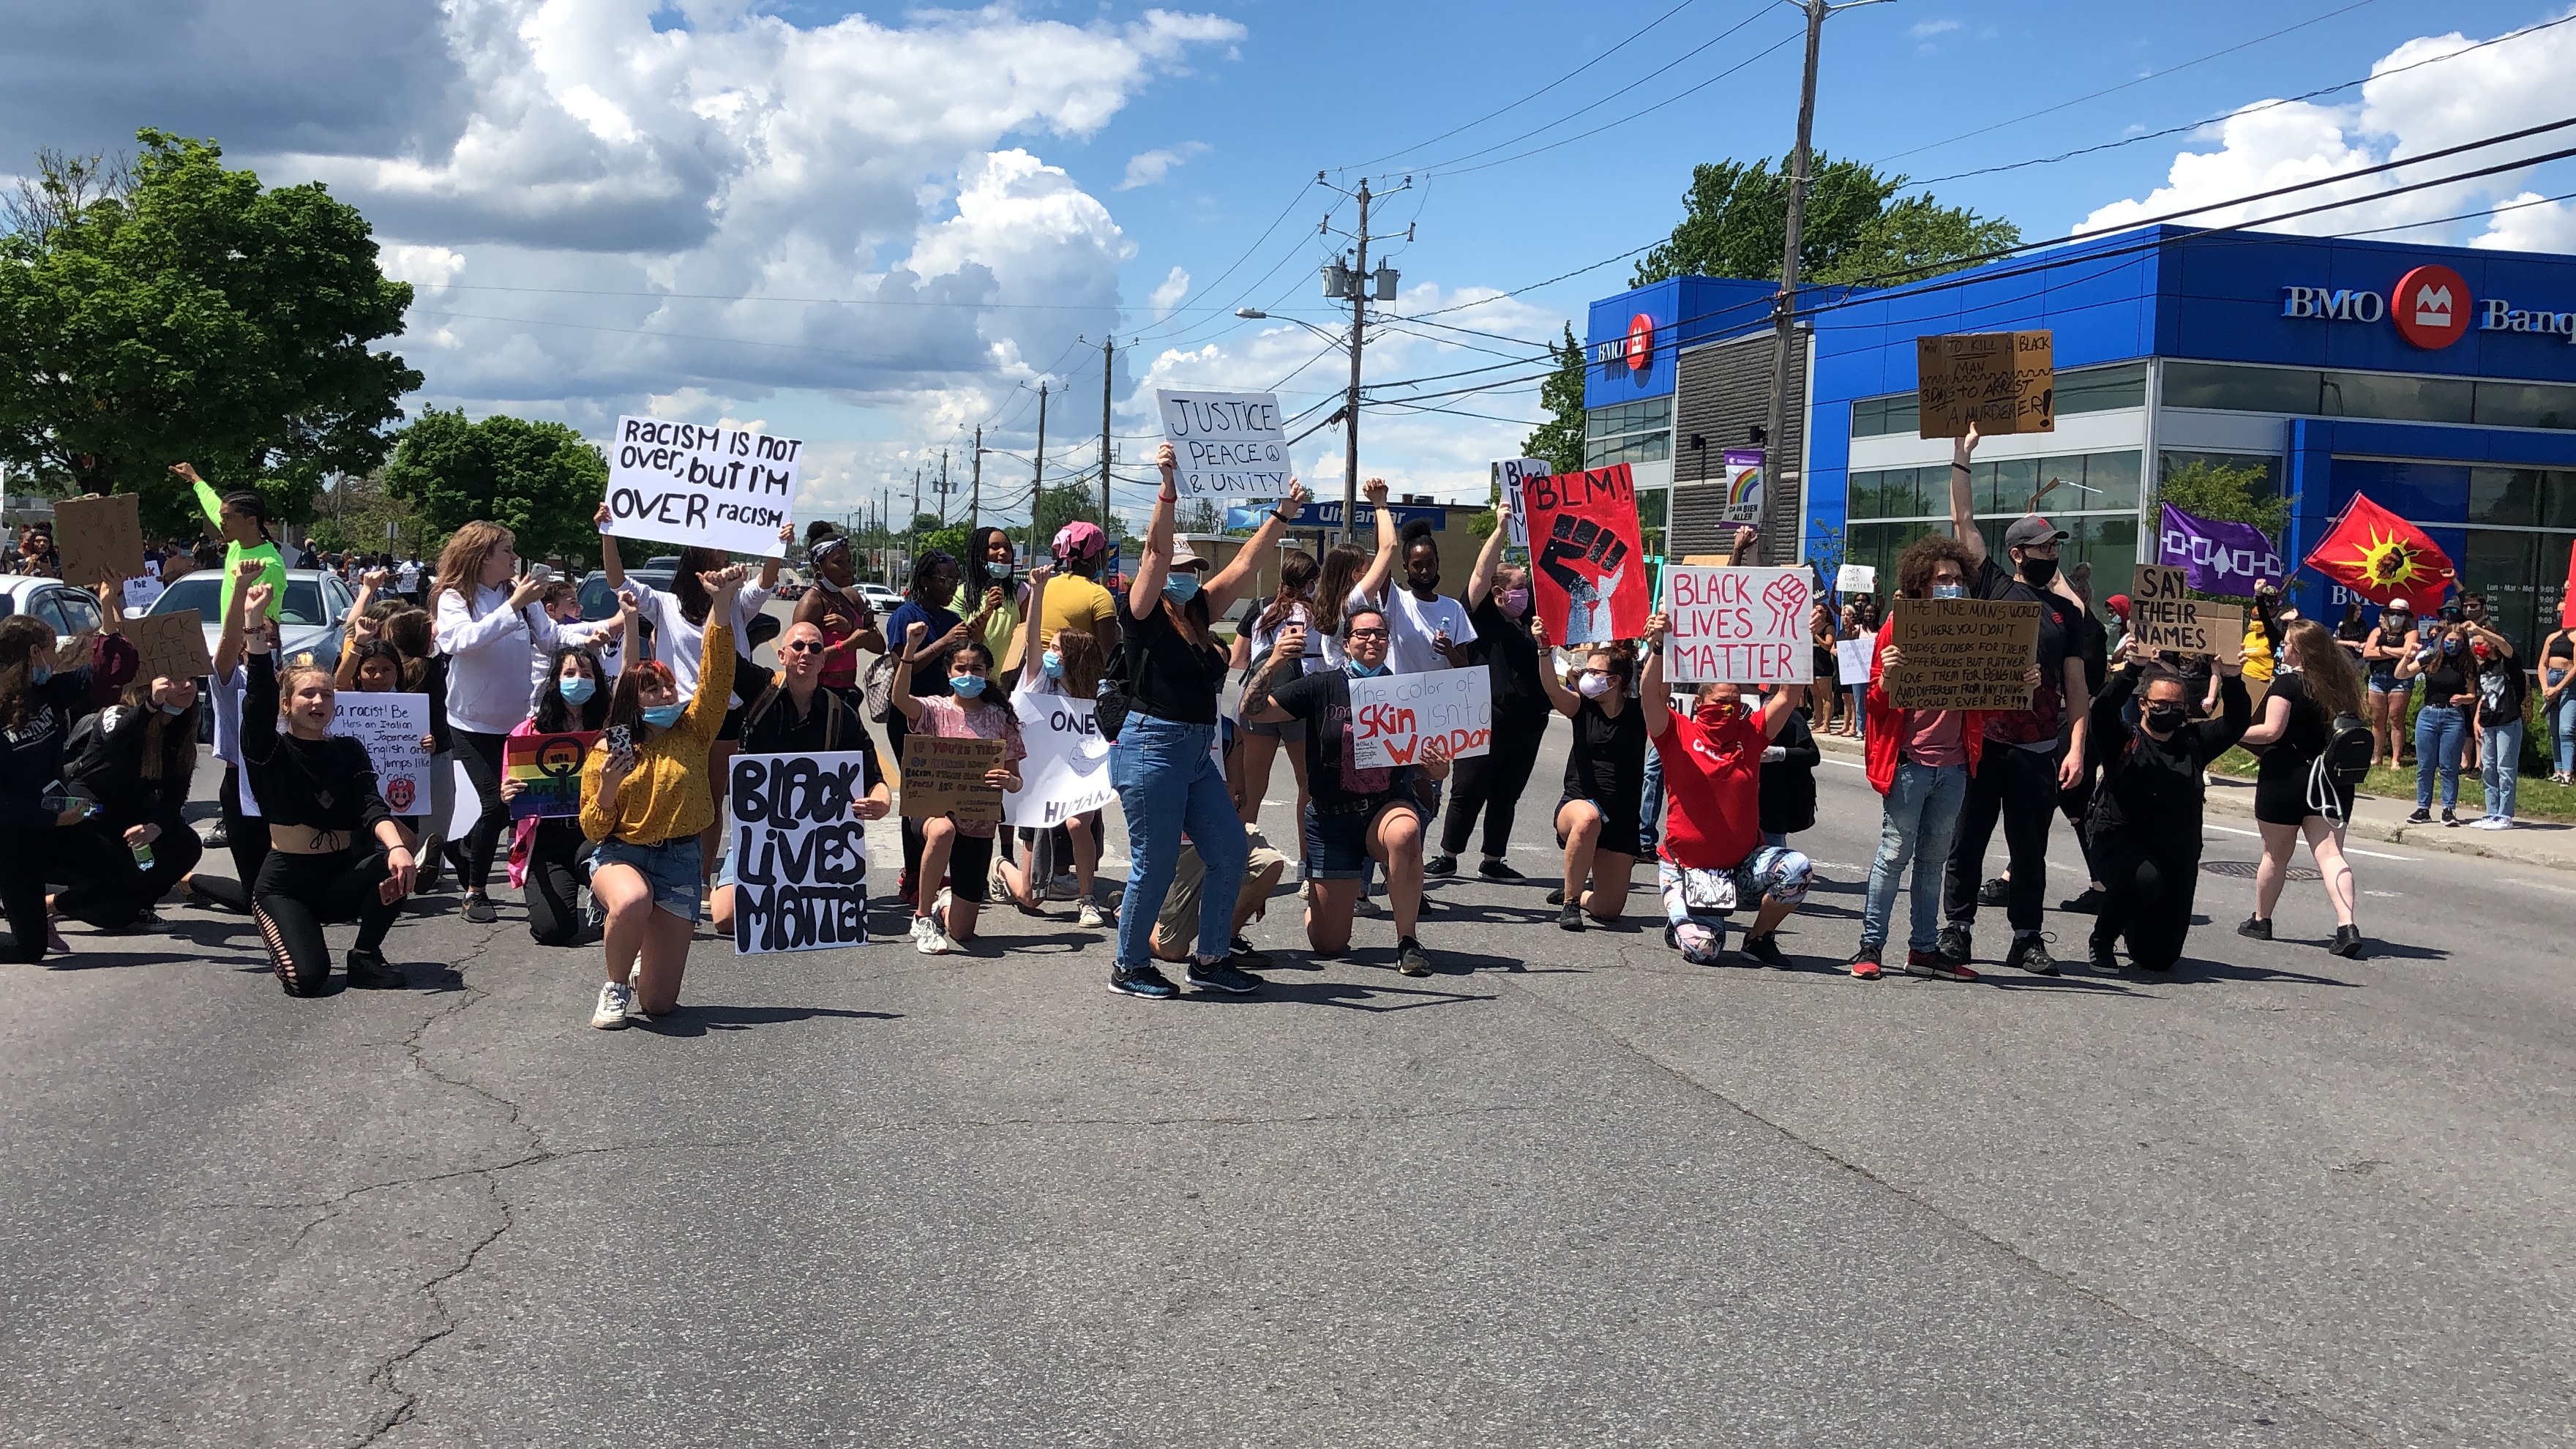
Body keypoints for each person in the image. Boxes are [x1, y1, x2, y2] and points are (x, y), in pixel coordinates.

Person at [1104, 446, 1305, 998]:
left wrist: (1281, 515)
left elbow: (1243, 565)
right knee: (1157, 859)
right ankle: (1129, 965)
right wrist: (1168, 487)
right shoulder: (1141, 615)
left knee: (1230, 851)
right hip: (1151, 746)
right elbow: (1151, 551)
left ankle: (1210, 958)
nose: (1190, 575)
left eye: (1194, 569)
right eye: (1182, 567)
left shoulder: (1198, 613)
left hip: (1195, 751)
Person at [1937, 424, 2091, 977]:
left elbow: (2076, 687)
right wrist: (1963, 455)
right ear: (2019, 553)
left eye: (2056, 548)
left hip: (2038, 748)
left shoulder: (2066, 615)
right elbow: (1964, 523)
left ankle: (2026, 937)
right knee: (1968, 840)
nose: (2053, 555)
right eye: (2046, 548)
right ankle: (1956, 929)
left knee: (2030, 850)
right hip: (1985, 744)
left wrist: (2075, 747)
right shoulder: (1993, 585)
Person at [1853, 533, 2032, 981]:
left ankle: (1924, 949)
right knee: (1894, 856)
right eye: (1942, 578)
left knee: (1933, 862)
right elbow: (1874, 705)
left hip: (1954, 767)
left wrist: (2020, 684)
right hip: (1910, 763)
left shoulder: (1975, 630)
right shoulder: (1898, 628)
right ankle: (1871, 946)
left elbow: (1985, 701)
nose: (1951, 584)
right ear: (1921, 585)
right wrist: (1888, 677)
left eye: (1956, 577)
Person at [580, 564, 748, 1027]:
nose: (663, 694)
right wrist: (609, 790)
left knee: (659, 1005)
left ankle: (641, 967)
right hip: (622, 854)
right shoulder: (613, 743)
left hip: (680, 861)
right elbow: (593, 828)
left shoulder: (693, 731)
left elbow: (716, 679)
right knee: (632, 900)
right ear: (634, 700)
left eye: (668, 686)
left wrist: (721, 606)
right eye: (651, 689)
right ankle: (614, 985)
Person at [1241, 604, 1449, 976]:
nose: (1372, 640)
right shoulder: (1321, 686)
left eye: (1380, 634)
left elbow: (1422, 756)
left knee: (1406, 832)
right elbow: (1252, 711)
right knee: (1329, 945)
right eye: (1362, 634)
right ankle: (1322, 901)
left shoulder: (1405, 691)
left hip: (1383, 808)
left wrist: (1437, 768)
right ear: (1346, 643)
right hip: (1330, 819)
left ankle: (1408, 941)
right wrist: (1272, 663)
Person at [597, 517, 789, 895]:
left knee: (711, 799)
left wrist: (777, 545)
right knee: (669, 791)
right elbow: (618, 582)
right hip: (674, 715)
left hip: (725, 717)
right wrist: (609, 533)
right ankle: (656, 868)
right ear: (697, 564)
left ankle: (700, 878)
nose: (725, 565)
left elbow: (766, 581)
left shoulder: (734, 603)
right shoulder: (665, 605)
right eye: (718, 558)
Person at [238, 604, 420, 995]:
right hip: (287, 883)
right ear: (286, 705)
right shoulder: (268, 750)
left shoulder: (349, 749)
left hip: (339, 874)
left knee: (395, 862)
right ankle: (269, 915)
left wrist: (398, 847)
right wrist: (254, 632)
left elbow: (372, 806)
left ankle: (366, 955)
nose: (318, 702)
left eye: (326, 694)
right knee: (307, 981)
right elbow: (257, 699)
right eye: (307, 695)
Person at [1639, 613, 1813, 967]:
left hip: (1742, 867)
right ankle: (1687, 919)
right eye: (1721, 701)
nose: (1729, 708)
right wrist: (1658, 646)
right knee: (1704, 951)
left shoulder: (1750, 734)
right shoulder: (1675, 733)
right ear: (1700, 703)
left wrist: (1798, 640)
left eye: (1736, 701)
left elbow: (1788, 694)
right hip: (1688, 868)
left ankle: (1759, 938)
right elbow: (1649, 694)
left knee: (1797, 868)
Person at [708, 618, 891, 942]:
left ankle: (790, 900)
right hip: (760, 838)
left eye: (815, 648)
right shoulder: (760, 690)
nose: (806, 653)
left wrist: (881, 801)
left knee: (826, 918)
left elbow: (874, 776)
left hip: (817, 846)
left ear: (823, 660)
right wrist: (721, 607)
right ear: (782, 656)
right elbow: (719, 655)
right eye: (798, 646)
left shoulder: (841, 713)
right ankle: (766, 894)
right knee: (726, 917)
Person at [2083, 638, 2251, 973]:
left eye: (2177, 705)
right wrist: (2132, 670)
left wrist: (2232, 678)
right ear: (2144, 705)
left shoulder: (2195, 743)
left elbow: (2237, 723)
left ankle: (2138, 924)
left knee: (2159, 959)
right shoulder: (2123, 739)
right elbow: (2101, 710)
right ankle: (2102, 939)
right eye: (2160, 704)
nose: (2168, 711)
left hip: (2176, 851)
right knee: (2144, 881)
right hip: (2121, 842)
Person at [0, 588, 139, 962]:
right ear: (32, 653)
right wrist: (48, 817)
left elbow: (108, 670)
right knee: (28, 949)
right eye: (49, 649)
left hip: (58, 822)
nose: (55, 657)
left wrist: (109, 607)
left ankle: (51, 907)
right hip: (14, 839)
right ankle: (31, 920)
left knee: (124, 880)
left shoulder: (45, 691)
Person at [431, 522, 553, 923]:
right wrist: (514, 605)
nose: (515, 558)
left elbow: (550, 638)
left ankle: (465, 846)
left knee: (511, 805)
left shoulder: (518, 595)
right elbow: (461, 641)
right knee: (494, 802)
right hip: (471, 723)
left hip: (515, 722)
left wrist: (605, 629)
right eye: (506, 550)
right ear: (483, 556)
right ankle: (475, 891)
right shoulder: (455, 597)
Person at [891, 622, 1026, 954]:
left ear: (988, 673)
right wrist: (909, 649)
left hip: (979, 819)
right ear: (949, 673)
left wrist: (1009, 782)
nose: (968, 674)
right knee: (943, 830)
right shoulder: (934, 709)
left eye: (976, 668)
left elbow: (1017, 779)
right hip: (932, 809)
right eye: (961, 668)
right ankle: (922, 917)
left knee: (963, 932)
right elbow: (898, 699)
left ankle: (944, 903)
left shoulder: (1001, 718)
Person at [2239, 619, 2367, 957]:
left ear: (2300, 649)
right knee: (2331, 856)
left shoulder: (2288, 684)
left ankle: (2262, 919)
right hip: (2331, 780)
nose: (2284, 647)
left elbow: (2271, 731)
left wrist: (2230, 732)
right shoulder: (2342, 685)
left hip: (2286, 777)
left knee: (2275, 855)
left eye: (2288, 643)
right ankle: (2346, 925)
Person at [993, 564, 1112, 927]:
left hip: (1076, 775)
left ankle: (1087, 899)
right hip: (1037, 780)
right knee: (1030, 898)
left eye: (1057, 649)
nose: (1050, 652)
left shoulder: (1093, 694)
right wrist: (1038, 591)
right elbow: (1031, 640)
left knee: (1079, 824)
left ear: (1073, 657)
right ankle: (1001, 866)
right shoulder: (1036, 678)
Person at [1431, 520, 1550, 880]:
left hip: (1528, 721)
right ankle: (1449, 854)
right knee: (1468, 789)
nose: (1524, 595)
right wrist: (1500, 529)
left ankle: (1493, 859)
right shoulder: (1480, 616)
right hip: (1485, 716)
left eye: (1526, 589)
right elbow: (1480, 576)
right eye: (1518, 589)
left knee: (1507, 793)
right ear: (1499, 594)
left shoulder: (1533, 620)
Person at [1530, 618, 1645, 933]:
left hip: (1621, 818)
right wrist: (1544, 650)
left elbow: (1655, 686)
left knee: (1609, 911)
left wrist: (1659, 643)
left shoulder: (1639, 712)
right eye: (1585, 671)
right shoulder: (1582, 707)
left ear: (1617, 680)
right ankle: (1570, 904)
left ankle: (1579, 893)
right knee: (1588, 819)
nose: (1586, 677)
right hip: (1579, 804)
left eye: (1595, 673)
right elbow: (1553, 690)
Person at [64, 666, 204, 924]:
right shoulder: (117, 712)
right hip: (89, 810)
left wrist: (155, 827)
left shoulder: (182, 723)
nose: (188, 686)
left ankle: (139, 906)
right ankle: (53, 905)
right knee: (112, 906)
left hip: (131, 811)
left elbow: (176, 795)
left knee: (185, 844)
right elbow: (117, 738)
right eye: (176, 678)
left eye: (193, 679)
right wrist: (151, 705)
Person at [179, 561, 278, 916]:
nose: (261, 644)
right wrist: (240, 592)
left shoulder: (287, 684)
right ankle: (190, 881)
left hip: (279, 783)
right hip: (241, 785)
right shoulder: (231, 681)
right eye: (254, 638)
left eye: (269, 639)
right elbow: (227, 642)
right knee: (257, 898)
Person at [501, 644, 613, 946]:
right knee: (553, 931)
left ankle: (608, 895)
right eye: (570, 673)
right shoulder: (526, 733)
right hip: (547, 841)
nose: (578, 680)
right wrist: (507, 793)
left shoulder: (610, 730)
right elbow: (509, 792)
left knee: (595, 862)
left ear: (598, 681)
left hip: (597, 836)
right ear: (556, 680)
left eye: (586, 674)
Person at [883, 548, 972, 900]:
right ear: (924, 582)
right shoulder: (906, 615)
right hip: (908, 716)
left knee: (945, 794)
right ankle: (913, 875)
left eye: (954, 580)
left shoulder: (952, 618)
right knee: (918, 797)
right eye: (943, 579)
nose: (950, 586)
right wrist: (942, 643)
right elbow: (904, 666)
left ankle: (935, 869)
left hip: (943, 717)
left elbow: (960, 665)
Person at [1236, 550, 1322, 840]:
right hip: (1298, 703)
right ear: (1310, 583)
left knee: (1251, 790)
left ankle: (1239, 868)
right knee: (1309, 787)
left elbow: (1238, 659)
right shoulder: (1317, 616)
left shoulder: (1261, 610)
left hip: (1259, 699)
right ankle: (1308, 870)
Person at [171, 463, 286, 621]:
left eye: (228, 518)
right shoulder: (238, 543)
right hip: (233, 643)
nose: (222, 523)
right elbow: (212, 505)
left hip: (254, 644)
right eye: (222, 517)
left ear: (252, 521)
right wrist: (195, 479)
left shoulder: (268, 566)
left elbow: (255, 621)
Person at [792, 527, 885, 711]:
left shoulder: (852, 597)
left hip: (849, 692)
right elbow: (799, 660)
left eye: (849, 561)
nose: (849, 568)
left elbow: (879, 646)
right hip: (818, 694)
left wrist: (851, 627)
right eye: (839, 562)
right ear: (819, 567)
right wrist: (848, 645)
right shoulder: (812, 603)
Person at [2398, 613, 2476, 826]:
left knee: (2449, 766)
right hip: (2428, 715)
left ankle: (2448, 809)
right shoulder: (2431, 658)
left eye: (2458, 642)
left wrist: (2464, 698)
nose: (2453, 645)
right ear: (2443, 641)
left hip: (2453, 716)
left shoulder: (2467, 664)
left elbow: (2472, 695)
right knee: (2425, 765)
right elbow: (2401, 675)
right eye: (2450, 641)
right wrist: (2408, 656)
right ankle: (2423, 808)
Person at [2469, 625, 2526, 829]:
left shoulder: (2508, 662)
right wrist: (2477, 719)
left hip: (2508, 721)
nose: (2477, 648)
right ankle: (2492, 812)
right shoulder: (2483, 668)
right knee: (2489, 768)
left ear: (2491, 643)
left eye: (2480, 643)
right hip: (2489, 721)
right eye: (2474, 644)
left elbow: (2504, 645)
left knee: (2505, 768)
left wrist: (2479, 629)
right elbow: (2485, 695)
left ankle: (2505, 815)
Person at [2361, 597, 2418, 770]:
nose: (2395, 617)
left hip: (2400, 679)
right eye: (2392, 613)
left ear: (2406, 617)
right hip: (2378, 678)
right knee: (2377, 720)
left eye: (2399, 614)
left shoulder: (2411, 633)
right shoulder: (2378, 632)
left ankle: (2396, 759)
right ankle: (2377, 757)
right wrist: (2396, 653)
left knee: (2396, 719)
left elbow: (2408, 651)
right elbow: (2367, 653)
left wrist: (2383, 649)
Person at [963, 525, 1023, 684]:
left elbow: (1025, 639)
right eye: (995, 548)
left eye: (1007, 549)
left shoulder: (1020, 592)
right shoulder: (960, 595)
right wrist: (987, 611)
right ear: (980, 554)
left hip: (1007, 684)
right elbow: (962, 642)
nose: (1003, 553)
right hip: (971, 682)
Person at [2542, 619, 2576, 785]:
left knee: (2566, 729)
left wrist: (2559, 688)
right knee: (2554, 730)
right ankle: (2558, 770)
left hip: (2568, 684)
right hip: (2550, 681)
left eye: (2565, 611)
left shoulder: (2575, 638)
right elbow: (2542, 665)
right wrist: (2545, 688)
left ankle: (2568, 773)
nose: (2561, 614)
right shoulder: (2552, 637)